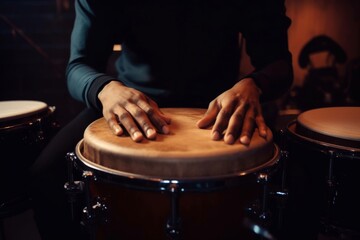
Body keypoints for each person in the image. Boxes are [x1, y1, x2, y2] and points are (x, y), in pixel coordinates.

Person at [28, 0, 293, 239]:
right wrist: (105, 89)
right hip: (130, 102)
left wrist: (254, 84)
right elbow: (79, 65)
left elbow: (279, 64)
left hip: (220, 104)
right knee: (45, 176)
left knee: (299, 184)